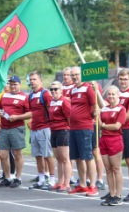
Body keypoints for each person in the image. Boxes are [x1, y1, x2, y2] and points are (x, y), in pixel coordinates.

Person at [103, 69, 129, 201]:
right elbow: (104, 106)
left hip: (126, 130)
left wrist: (116, 118)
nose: (123, 81)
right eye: (121, 79)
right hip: (112, 132)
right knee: (112, 165)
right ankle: (112, 192)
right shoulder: (114, 93)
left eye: (125, 79)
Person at [0, 75, 31, 188]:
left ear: (20, 85)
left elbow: (30, 113)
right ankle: (7, 177)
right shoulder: (4, 95)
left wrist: (17, 117)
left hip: (16, 127)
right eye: (11, 84)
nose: (13, 86)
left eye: (15, 84)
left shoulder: (24, 97)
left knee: (17, 153)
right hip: (4, 128)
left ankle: (18, 178)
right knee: (2, 154)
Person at [68, 67, 98, 196]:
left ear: (82, 75)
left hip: (85, 128)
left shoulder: (88, 88)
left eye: (76, 74)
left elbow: (95, 105)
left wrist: (94, 114)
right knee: (78, 158)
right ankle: (82, 185)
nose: (74, 77)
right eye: (72, 75)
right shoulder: (73, 90)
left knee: (88, 157)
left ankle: (93, 186)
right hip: (73, 129)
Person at [28, 71, 56, 190]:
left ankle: (52, 180)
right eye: (30, 79)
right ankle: (41, 180)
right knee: (37, 156)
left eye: (34, 79)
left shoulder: (45, 94)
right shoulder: (30, 95)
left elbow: (51, 111)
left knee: (47, 155)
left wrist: (51, 126)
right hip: (34, 129)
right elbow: (31, 112)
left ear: (40, 80)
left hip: (44, 128)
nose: (32, 81)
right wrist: (30, 119)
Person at [99, 86, 126, 206]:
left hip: (115, 140)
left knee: (116, 168)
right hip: (103, 139)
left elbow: (117, 126)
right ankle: (111, 194)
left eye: (113, 94)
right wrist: (97, 114)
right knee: (108, 169)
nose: (110, 96)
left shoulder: (121, 109)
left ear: (118, 95)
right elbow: (99, 126)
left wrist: (104, 125)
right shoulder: (104, 109)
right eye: (109, 94)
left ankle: (118, 196)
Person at [47, 81, 72, 193]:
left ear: (61, 90)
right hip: (53, 131)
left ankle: (67, 183)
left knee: (65, 159)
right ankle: (60, 182)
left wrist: (68, 129)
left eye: (55, 89)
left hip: (63, 130)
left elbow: (69, 118)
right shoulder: (52, 102)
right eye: (51, 89)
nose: (53, 91)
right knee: (59, 159)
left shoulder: (64, 102)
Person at [61, 67, 76, 186]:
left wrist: (66, 98)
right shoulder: (60, 87)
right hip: (61, 121)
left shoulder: (74, 87)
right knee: (65, 154)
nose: (66, 77)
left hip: (71, 121)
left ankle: (73, 176)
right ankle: (69, 176)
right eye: (64, 75)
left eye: (68, 75)